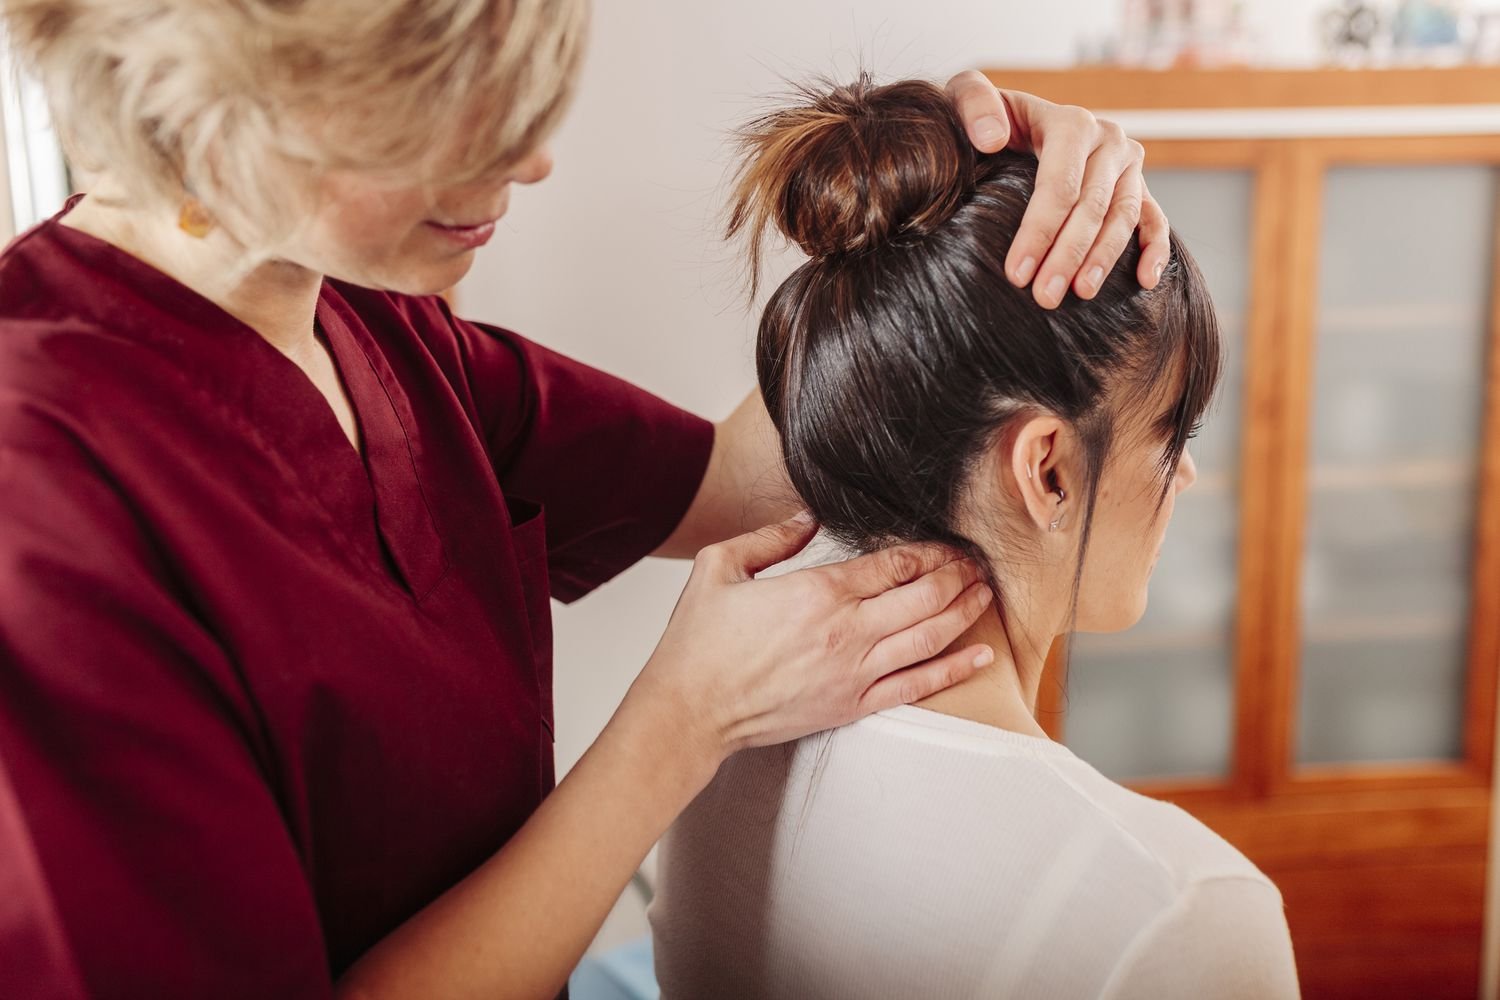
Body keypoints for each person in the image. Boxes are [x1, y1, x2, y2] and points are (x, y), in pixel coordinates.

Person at [0, 3, 1172, 999]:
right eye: (447, 117)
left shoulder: (371, 320)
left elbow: (727, 482)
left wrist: (954, 209)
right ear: (224, 104)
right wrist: (684, 716)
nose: (532, 162)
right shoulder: (46, 496)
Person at [649, 75, 1301, 999]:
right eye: (1172, 435)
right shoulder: (1176, 911)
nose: (1185, 477)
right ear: (1046, 470)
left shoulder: (727, 752)